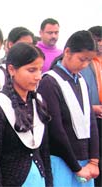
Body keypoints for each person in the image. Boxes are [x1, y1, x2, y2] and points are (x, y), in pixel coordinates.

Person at [0, 42, 52, 186]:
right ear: (12, 69)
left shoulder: (38, 102)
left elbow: (44, 152)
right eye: (31, 70)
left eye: (40, 70)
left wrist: (49, 182)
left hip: (39, 178)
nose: (38, 76)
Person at [38, 30, 100, 187]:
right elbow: (56, 129)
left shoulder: (81, 80)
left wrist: (94, 160)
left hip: (85, 163)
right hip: (62, 161)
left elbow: (91, 122)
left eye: (88, 61)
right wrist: (76, 167)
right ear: (67, 52)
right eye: (81, 59)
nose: (85, 65)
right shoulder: (50, 82)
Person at [81, 25, 102, 187]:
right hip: (91, 119)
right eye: (97, 41)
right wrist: (91, 107)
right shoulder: (84, 63)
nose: (100, 44)